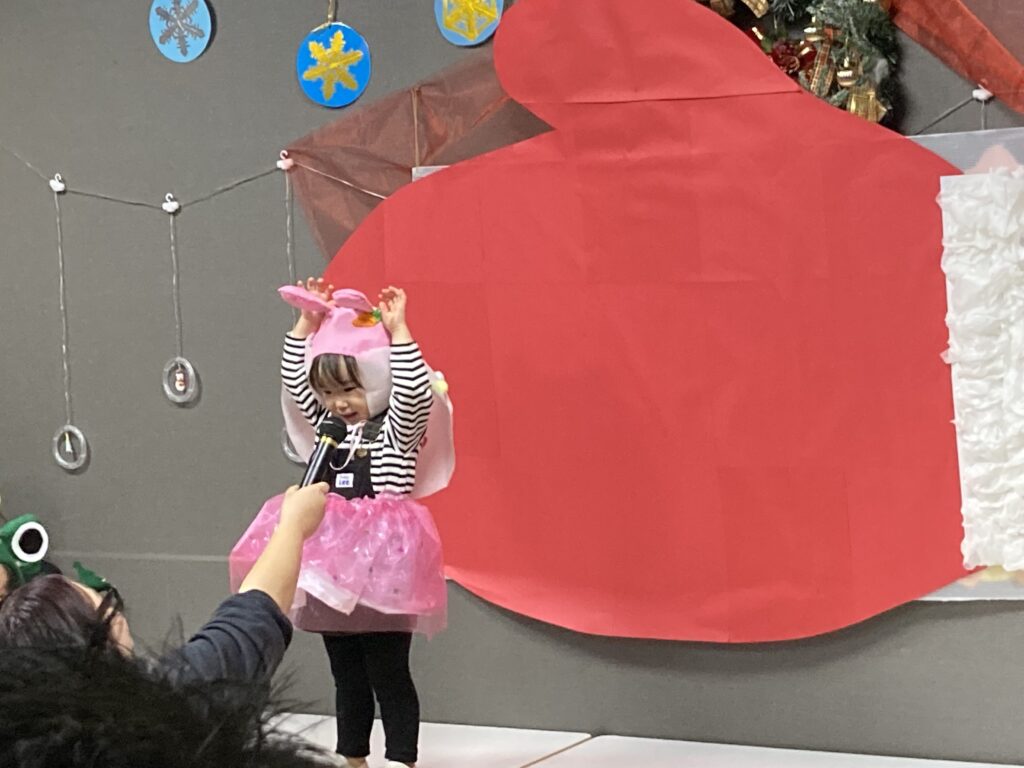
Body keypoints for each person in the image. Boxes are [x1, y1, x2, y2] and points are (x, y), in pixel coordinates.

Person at [230, 278, 456, 768]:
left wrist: (398, 332)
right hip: (334, 567)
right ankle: (353, 756)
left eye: (350, 389)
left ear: (375, 380)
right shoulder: (328, 432)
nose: (338, 403)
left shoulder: (394, 433)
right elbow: (297, 385)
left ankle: (401, 758)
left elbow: (413, 393)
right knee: (346, 672)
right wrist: (304, 327)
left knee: (388, 671)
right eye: (329, 393)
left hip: (382, 571)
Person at [0, 482, 330, 685]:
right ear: (108, 631)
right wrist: (293, 525)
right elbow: (251, 620)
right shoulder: (174, 699)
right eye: (105, 606)